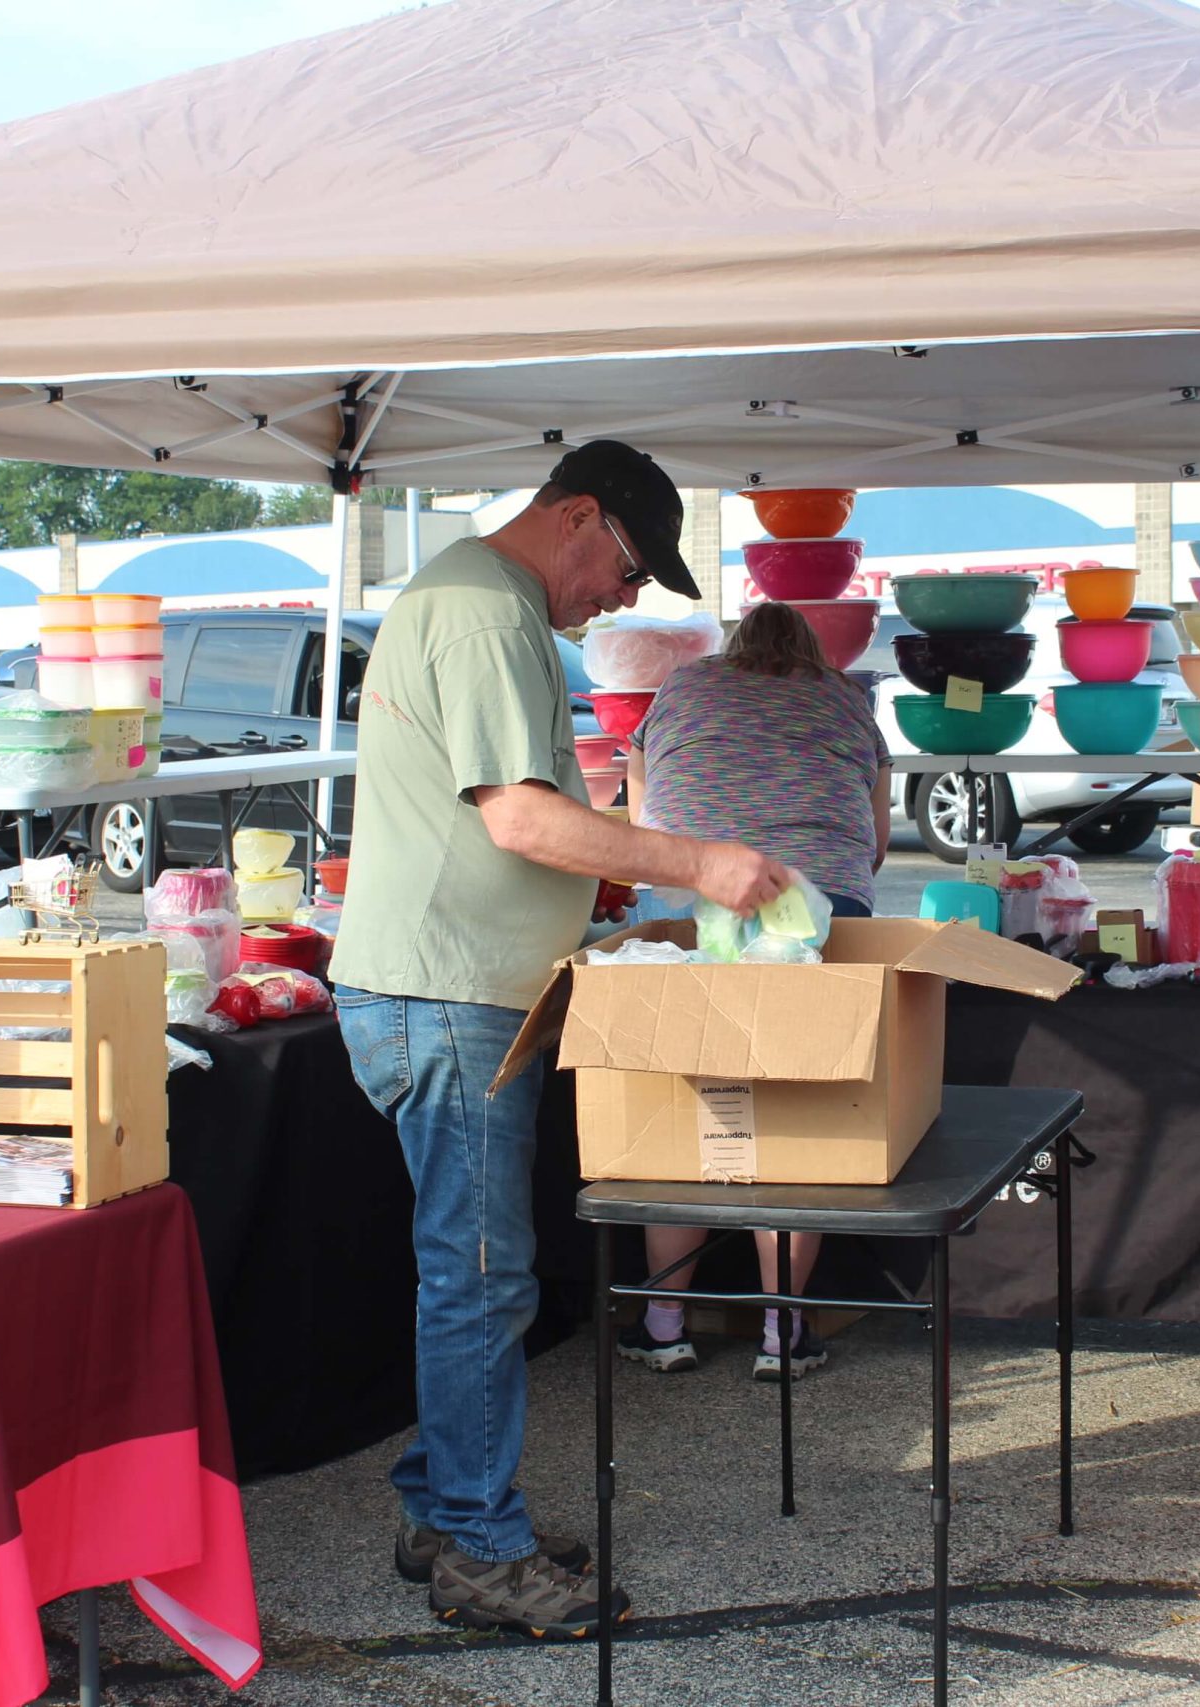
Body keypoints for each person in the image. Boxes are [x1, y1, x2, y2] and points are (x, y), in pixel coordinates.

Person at [328, 440, 789, 1640]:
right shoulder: (487, 611)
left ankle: (444, 1509)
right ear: (575, 515)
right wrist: (699, 861)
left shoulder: (474, 597)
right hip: (445, 994)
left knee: (471, 1273)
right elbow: (523, 819)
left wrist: (603, 888)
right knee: (480, 1278)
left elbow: (509, 821)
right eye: (627, 569)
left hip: (450, 986)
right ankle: (481, 1552)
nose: (621, 599)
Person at [612, 598, 893, 1383]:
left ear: (733, 647)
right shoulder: (846, 699)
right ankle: (782, 1332)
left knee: (684, 1108)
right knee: (794, 1114)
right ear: (813, 653)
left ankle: (664, 1324)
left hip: (687, 902)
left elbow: (640, 810)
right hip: (820, 906)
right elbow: (873, 843)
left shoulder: (683, 686)